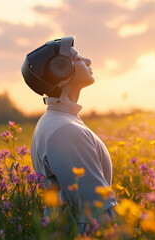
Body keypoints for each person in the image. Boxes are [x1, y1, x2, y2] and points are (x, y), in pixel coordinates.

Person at [21, 37, 117, 233]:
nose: (88, 61)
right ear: (61, 68)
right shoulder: (65, 131)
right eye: (79, 58)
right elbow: (96, 212)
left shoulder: (56, 122)